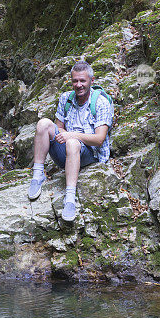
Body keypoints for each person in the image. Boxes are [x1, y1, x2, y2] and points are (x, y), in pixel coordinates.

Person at [27, 61, 113, 222]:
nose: (78, 85)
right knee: (43, 124)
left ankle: (70, 198)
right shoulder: (66, 98)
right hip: (67, 152)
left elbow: (99, 139)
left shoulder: (101, 103)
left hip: (91, 155)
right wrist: (66, 135)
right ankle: (38, 175)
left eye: (83, 81)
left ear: (91, 81)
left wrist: (71, 136)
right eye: (75, 81)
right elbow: (59, 128)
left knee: (73, 143)